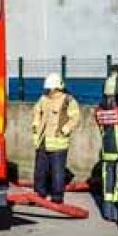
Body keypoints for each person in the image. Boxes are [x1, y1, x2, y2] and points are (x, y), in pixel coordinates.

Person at [31, 73, 80, 204]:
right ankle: (39, 193)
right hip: (43, 141)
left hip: (58, 143)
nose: (48, 91)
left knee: (57, 172)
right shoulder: (43, 99)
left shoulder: (68, 100)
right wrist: (35, 125)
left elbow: (75, 118)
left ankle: (57, 197)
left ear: (56, 88)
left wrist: (65, 130)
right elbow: (36, 111)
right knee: (40, 171)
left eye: (50, 88)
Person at [95, 65, 118, 222]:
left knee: (107, 183)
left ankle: (107, 213)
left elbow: (101, 126)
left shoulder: (100, 108)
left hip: (106, 151)